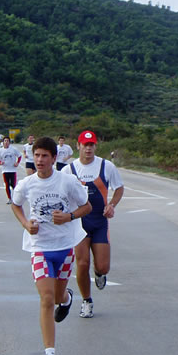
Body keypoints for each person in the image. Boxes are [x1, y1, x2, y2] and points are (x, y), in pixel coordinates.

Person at [11, 136, 92, 355]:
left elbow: (86, 206)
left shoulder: (67, 182)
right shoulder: (27, 184)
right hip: (40, 248)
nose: (40, 160)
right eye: (36, 155)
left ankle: (66, 299)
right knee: (46, 299)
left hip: (64, 247)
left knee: (57, 296)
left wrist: (69, 216)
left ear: (54, 158)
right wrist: (26, 224)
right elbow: (15, 204)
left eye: (45, 156)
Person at [62, 130, 124, 318]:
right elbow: (60, 193)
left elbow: (119, 188)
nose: (88, 149)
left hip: (99, 221)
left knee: (103, 266)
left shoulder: (106, 166)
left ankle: (99, 273)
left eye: (91, 145)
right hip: (79, 223)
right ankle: (86, 301)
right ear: (78, 146)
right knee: (82, 263)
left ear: (95, 146)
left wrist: (111, 205)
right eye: (85, 145)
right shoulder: (68, 170)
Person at [0, 136, 22, 204]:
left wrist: (17, 163)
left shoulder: (13, 149)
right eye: (5, 141)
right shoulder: (0, 151)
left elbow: (19, 156)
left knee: (13, 185)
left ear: (9, 142)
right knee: (7, 184)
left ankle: (16, 198)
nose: (6, 142)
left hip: (12, 170)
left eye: (7, 141)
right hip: (5, 170)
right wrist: (0, 163)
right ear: (3, 142)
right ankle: (9, 198)